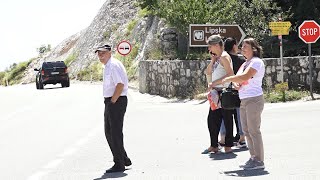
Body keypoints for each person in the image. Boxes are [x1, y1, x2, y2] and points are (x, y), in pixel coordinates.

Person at [222, 38, 265, 170]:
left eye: (246, 46)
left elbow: (245, 77)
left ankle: (259, 160)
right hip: (244, 99)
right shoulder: (245, 63)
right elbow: (239, 80)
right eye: (242, 46)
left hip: (254, 99)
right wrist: (235, 83)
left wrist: (229, 78)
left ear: (254, 49)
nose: (243, 48)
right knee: (246, 131)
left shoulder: (256, 62)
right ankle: (253, 157)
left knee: (254, 131)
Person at [95, 44, 132, 173]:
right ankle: (123, 158)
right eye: (99, 54)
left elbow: (120, 84)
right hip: (113, 101)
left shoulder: (113, 65)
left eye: (103, 53)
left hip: (116, 101)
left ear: (109, 52)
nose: (100, 56)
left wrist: (112, 101)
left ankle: (119, 164)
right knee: (110, 132)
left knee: (114, 133)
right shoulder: (108, 65)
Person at [202, 35, 234, 154]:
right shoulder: (218, 57)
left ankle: (228, 145)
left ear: (216, 45)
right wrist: (212, 61)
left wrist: (214, 82)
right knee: (212, 120)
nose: (209, 49)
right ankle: (214, 145)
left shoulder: (225, 57)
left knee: (227, 119)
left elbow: (231, 74)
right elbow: (207, 72)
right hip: (216, 92)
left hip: (224, 91)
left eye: (210, 46)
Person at [219, 37, 246, 148]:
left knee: (224, 116)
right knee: (240, 115)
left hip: (225, 91)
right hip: (239, 90)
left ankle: (223, 138)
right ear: (234, 46)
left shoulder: (223, 59)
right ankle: (242, 138)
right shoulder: (241, 61)